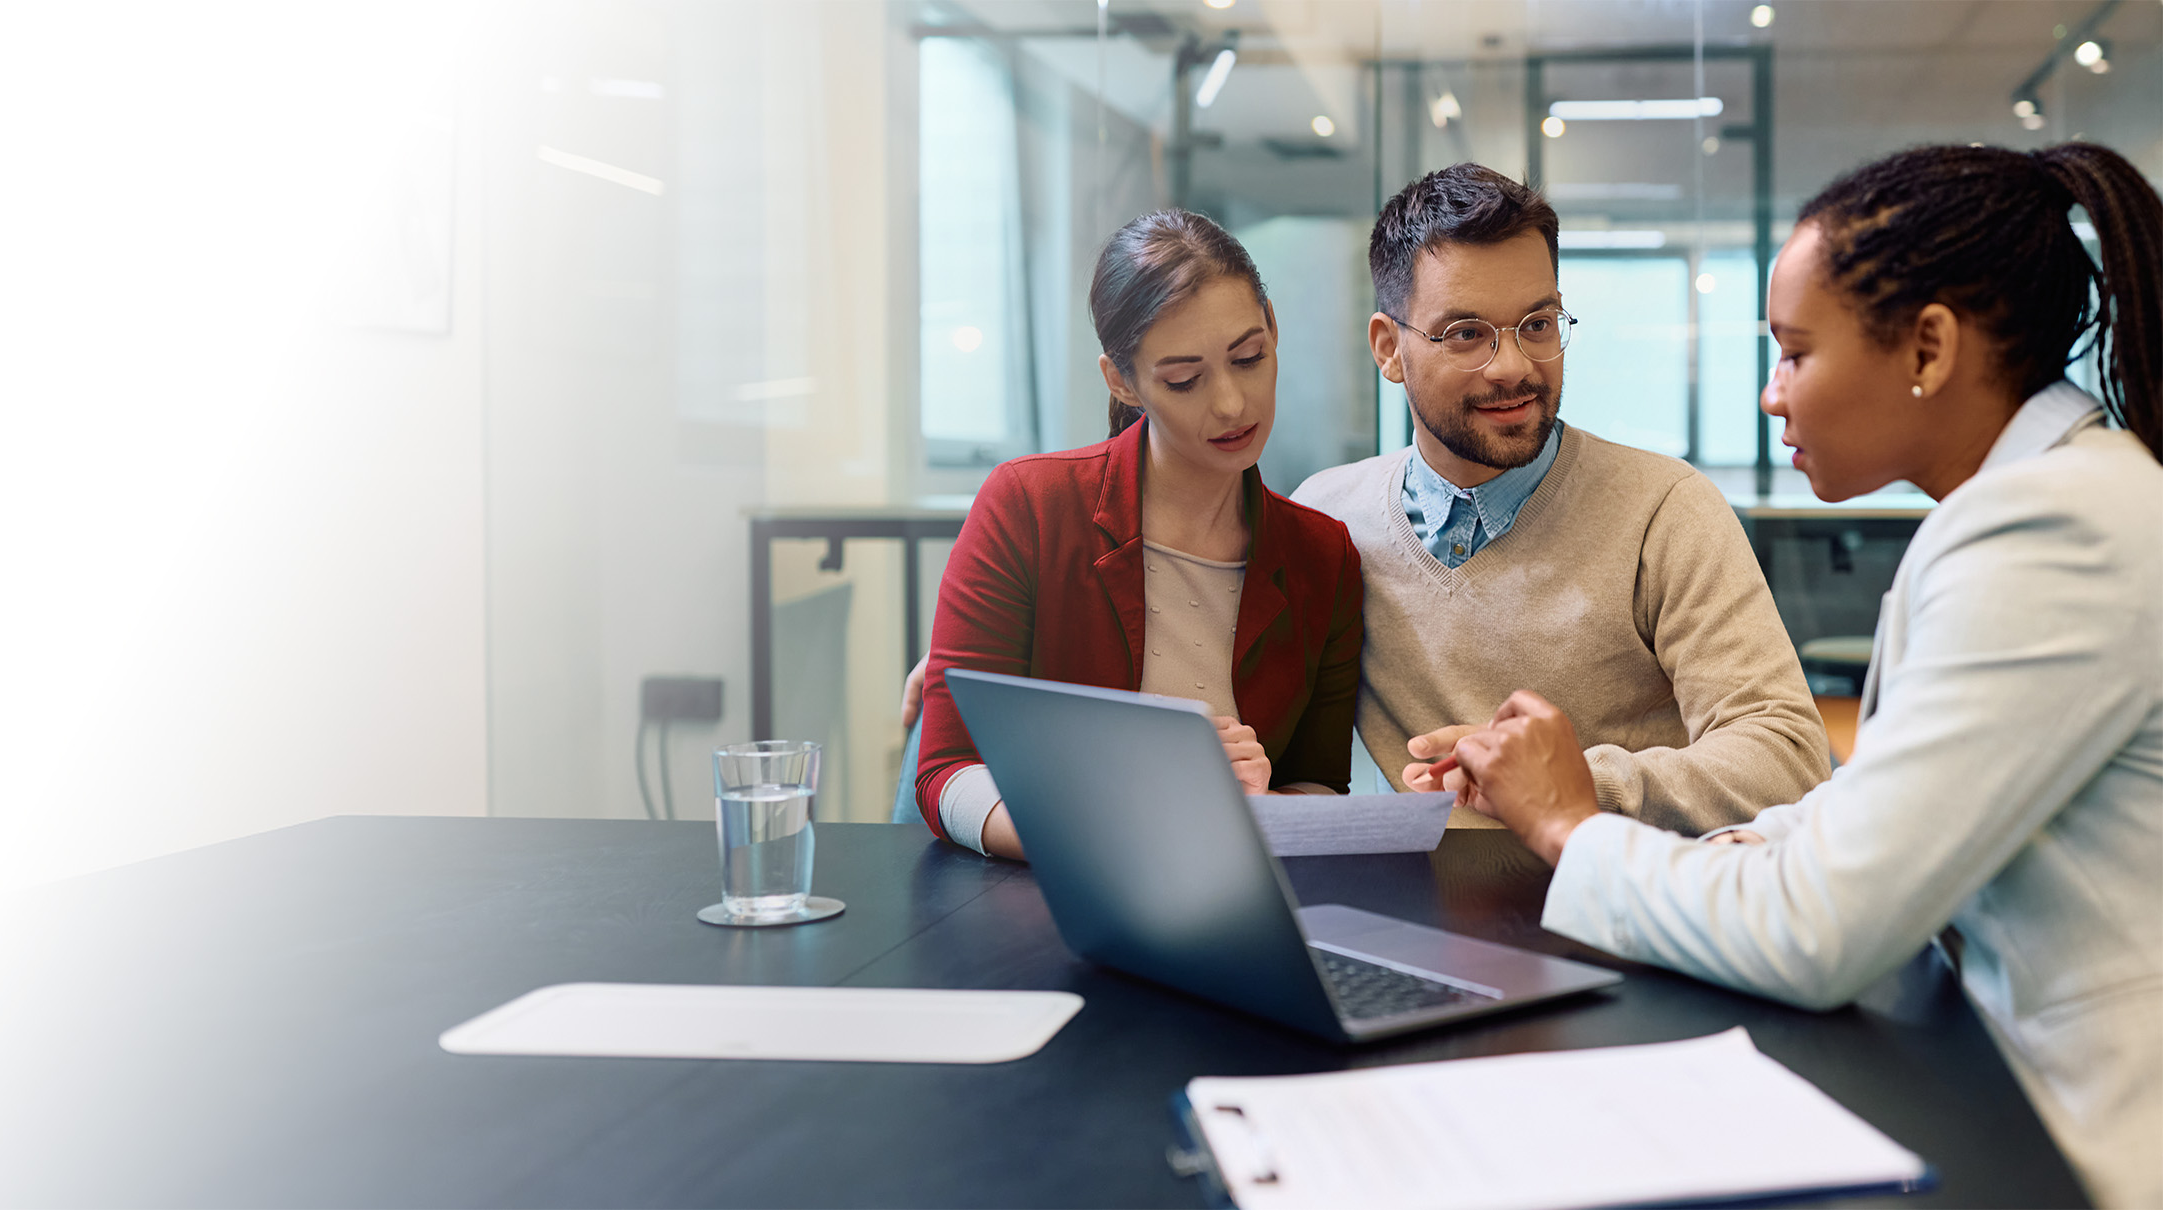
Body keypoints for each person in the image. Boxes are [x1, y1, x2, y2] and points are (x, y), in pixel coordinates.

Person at [1449, 143, 2163, 1208]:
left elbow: (1819, 929)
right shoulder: (2039, 503)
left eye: (1794, 354)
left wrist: (1569, 827)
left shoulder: (2054, 528)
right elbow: (1881, 814)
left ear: (1928, 346)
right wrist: (1737, 849)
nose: (1773, 395)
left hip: (2081, 1142)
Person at [1290, 164, 1828, 833]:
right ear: (1388, 349)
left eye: (1538, 324)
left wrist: (1568, 781)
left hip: (1610, 913)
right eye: (1466, 334)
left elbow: (1788, 758)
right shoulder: (1327, 517)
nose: (1513, 366)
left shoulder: (1666, 510)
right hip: (1408, 915)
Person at [906, 210, 1364, 860]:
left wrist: (1258, 807)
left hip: (1233, 899)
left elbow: (1318, 784)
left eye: (1249, 357)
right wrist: (1113, 824)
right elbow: (946, 773)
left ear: (1273, 329)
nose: (1232, 403)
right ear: (1122, 380)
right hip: (1047, 902)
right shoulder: (1030, 507)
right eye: (1184, 379)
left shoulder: (1325, 557)